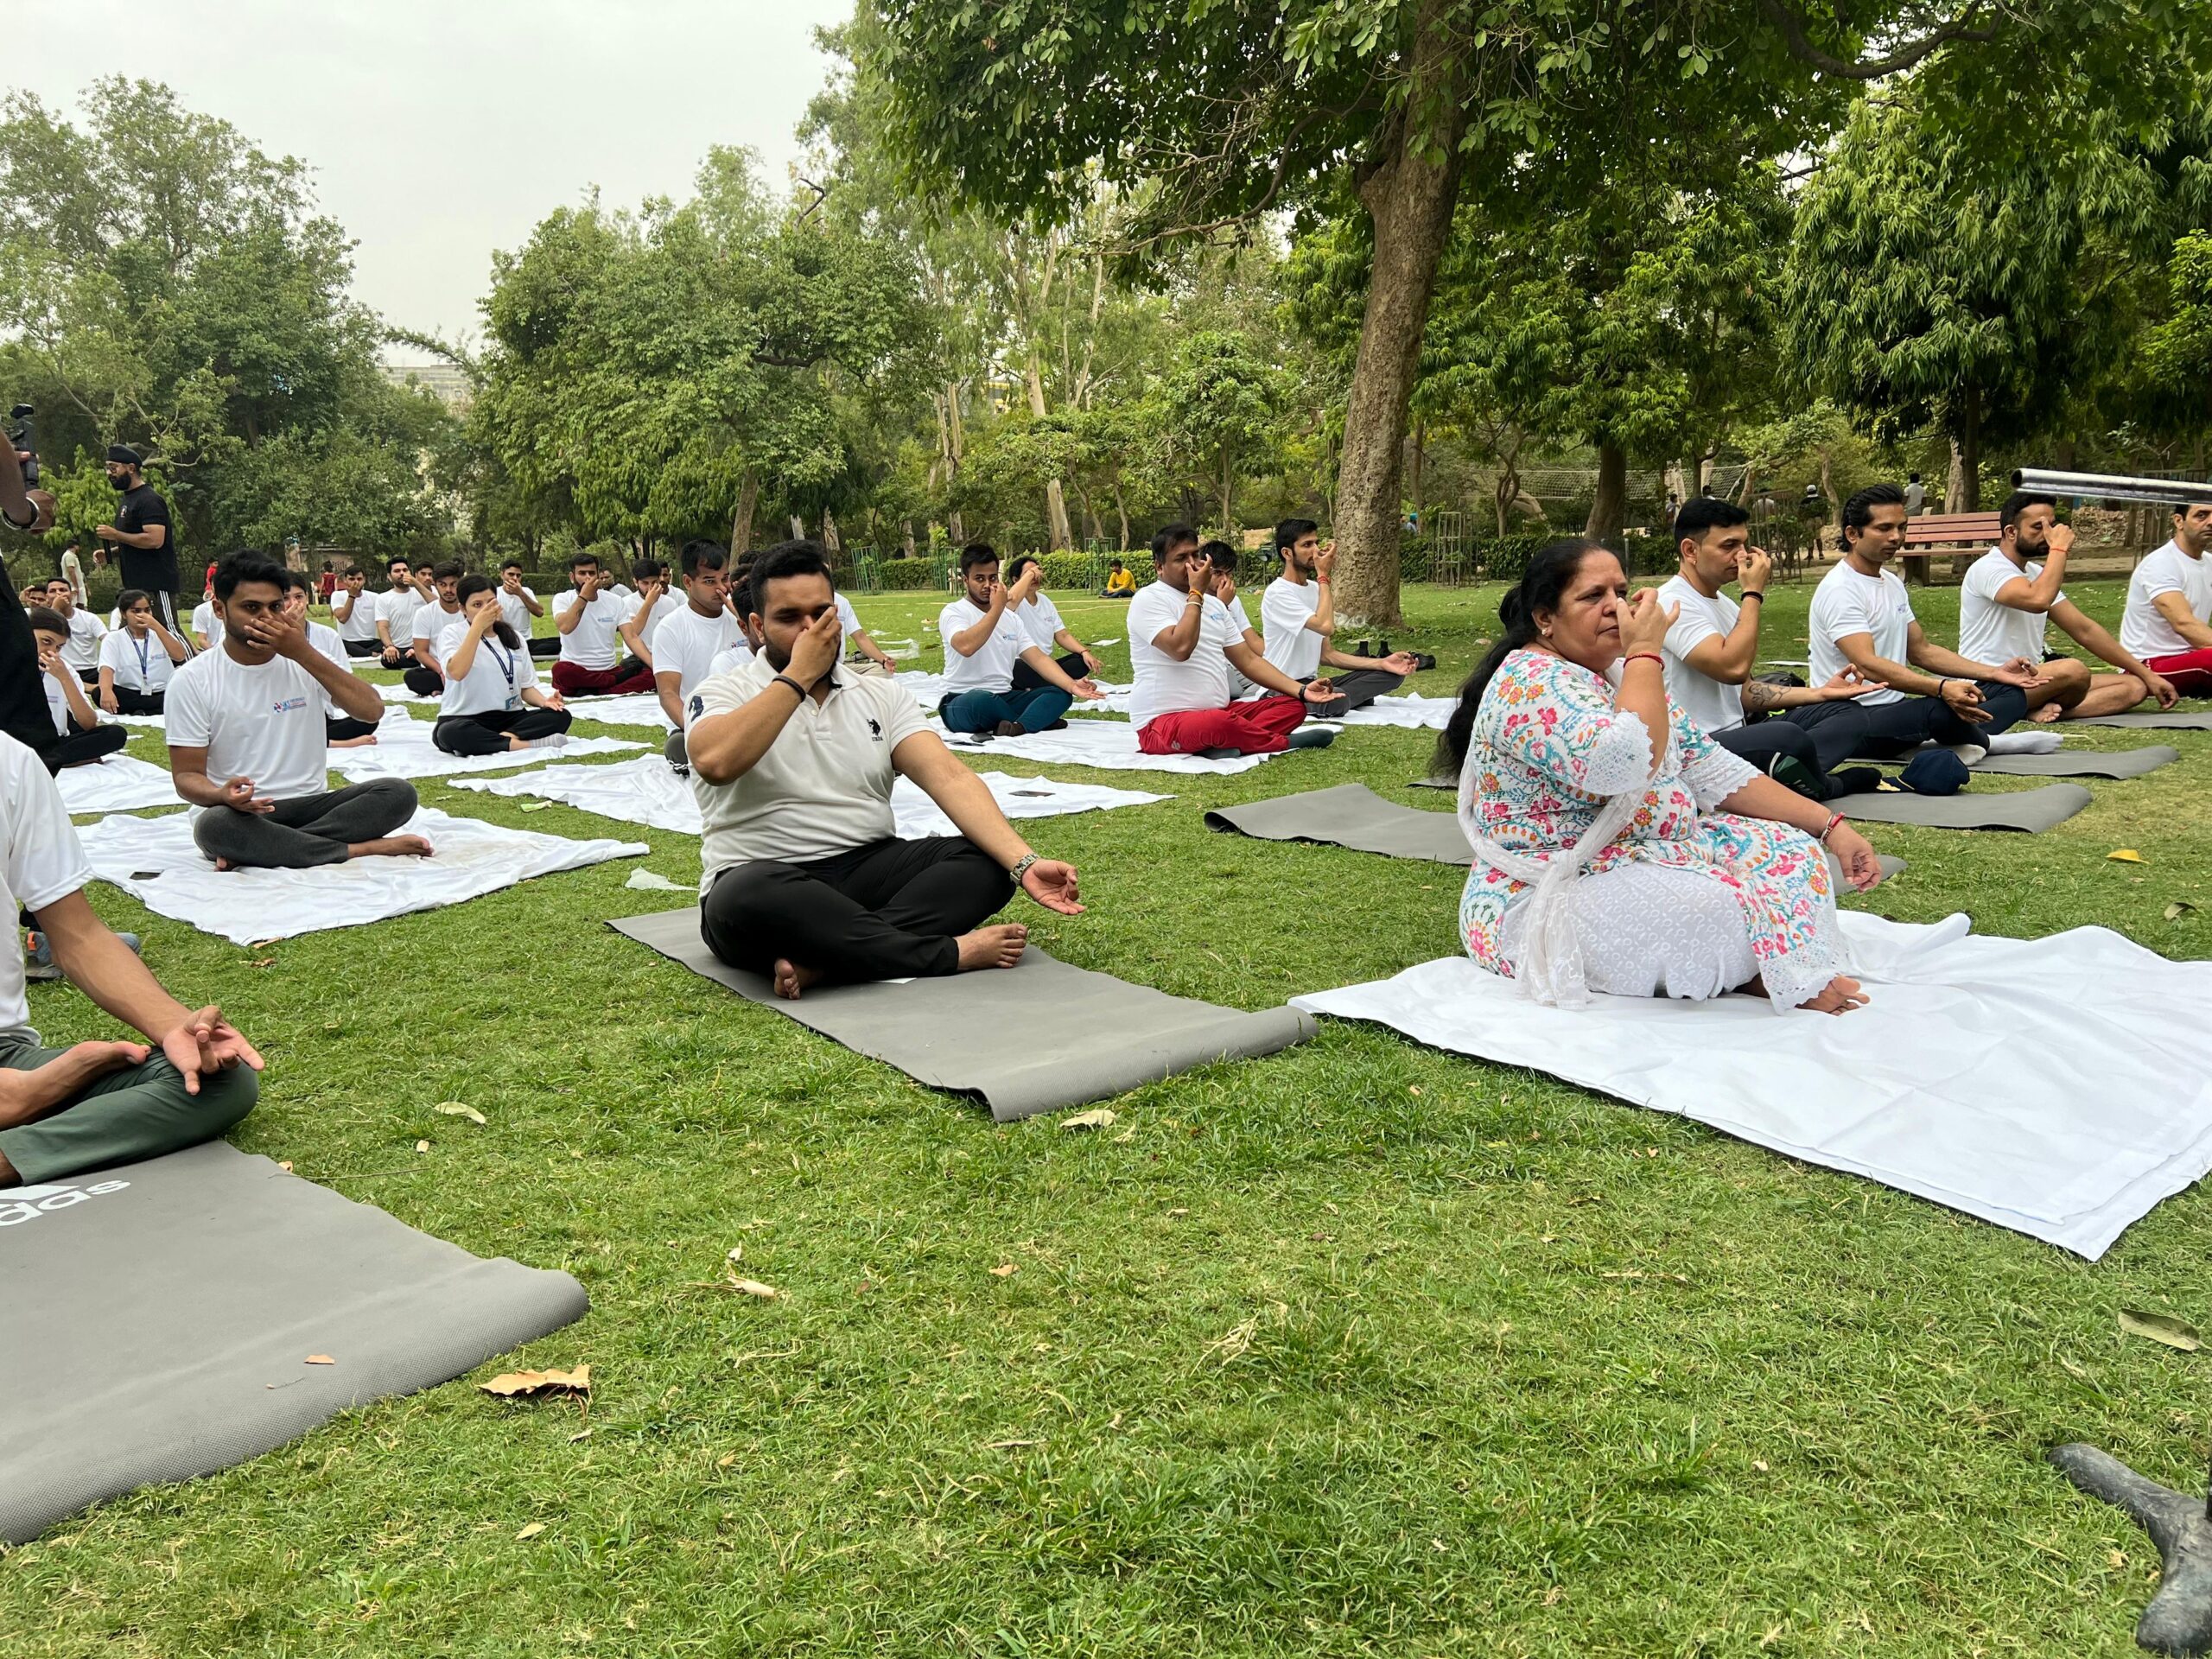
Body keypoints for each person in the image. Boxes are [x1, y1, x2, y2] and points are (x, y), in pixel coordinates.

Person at [1438, 540, 1884, 1014]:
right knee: (1707, 910)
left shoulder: (1613, 671)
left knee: (1792, 852)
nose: (1615, 607)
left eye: (1620, 592)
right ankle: (1759, 967)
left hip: (1645, 855)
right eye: (1593, 596)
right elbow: (1621, 765)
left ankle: (1755, 964)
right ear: (1545, 618)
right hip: (1545, 891)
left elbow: (1709, 765)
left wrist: (1828, 826)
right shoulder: (1531, 682)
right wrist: (1645, 652)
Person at [687, 540, 1083, 1000]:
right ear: (758, 626)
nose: (811, 630)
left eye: (821, 613)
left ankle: (827, 962)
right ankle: (942, 953)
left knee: (989, 864)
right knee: (744, 893)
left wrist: (1024, 863)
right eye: (789, 618)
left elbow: (950, 777)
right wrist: (797, 677)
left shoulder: (880, 695)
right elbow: (716, 762)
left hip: (866, 867)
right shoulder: (722, 691)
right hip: (768, 875)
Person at [0, 733, 263, 1189]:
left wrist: (177, 1028)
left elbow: (79, 936)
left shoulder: (11, 762)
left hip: (7, 1056)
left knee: (216, 1080)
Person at [164, 555, 427, 871]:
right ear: (220, 610)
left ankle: (270, 848)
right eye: (251, 608)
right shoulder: (192, 679)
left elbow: (371, 711)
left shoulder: (305, 659)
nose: (266, 617)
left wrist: (302, 652)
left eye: (275, 607)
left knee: (398, 793)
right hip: (242, 812)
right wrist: (221, 795)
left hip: (312, 804)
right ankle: (358, 849)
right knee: (215, 827)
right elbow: (187, 777)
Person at [1785, 484, 2042, 762]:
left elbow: (1922, 651)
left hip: (1895, 707)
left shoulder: (1891, 582)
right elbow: (1866, 664)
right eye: (1884, 528)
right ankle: (1984, 741)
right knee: (1937, 708)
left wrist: (1994, 673)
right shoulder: (1840, 589)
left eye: (1901, 527)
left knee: (2009, 692)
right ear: (1852, 534)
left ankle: (1951, 737)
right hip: (1851, 717)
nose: (1896, 537)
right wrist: (1941, 688)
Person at [1656, 498, 1880, 799]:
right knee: (1785, 737)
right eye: (1728, 546)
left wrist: (1821, 693)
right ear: (1690, 550)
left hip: (1738, 735)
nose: (1742, 556)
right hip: (1698, 748)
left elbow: (1746, 692)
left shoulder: (1726, 605)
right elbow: (1732, 669)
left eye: (1744, 544)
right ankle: (1823, 786)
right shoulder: (1671, 603)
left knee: (1848, 713)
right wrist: (1752, 593)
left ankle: (1778, 780)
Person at [1127, 524, 1339, 754]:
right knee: (1217, 723)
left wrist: (1302, 690)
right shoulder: (1148, 599)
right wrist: (1196, 593)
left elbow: (1248, 660)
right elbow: (1180, 649)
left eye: (1195, 555)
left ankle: (1224, 742)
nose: (1193, 564)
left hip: (1221, 711)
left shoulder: (1215, 605)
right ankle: (1280, 743)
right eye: (1181, 558)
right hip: (1162, 721)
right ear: (1159, 567)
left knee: (1291, 707)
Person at [1961, 493, 2172, 720]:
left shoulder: (2036, 573)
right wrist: (2059, 549)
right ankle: (2022, 708)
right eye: (2038, 527)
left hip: (2030, 679)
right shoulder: (1989, 568)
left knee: (2134, 686)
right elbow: (2038, 600)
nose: (2049, 534)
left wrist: (2147, 674)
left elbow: (2084, 629)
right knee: (2073, 670)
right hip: (1987, 685)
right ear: (2011, 532)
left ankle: (2041, 711)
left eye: (2051, 526)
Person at [937, 543, 1105, 734]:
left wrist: (1072, 685)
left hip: (1004, 696)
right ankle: (1036, 718)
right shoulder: (954, 612)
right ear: (966, 581)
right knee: (980, 701)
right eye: (979, 579)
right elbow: (966, 646)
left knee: (1060, 693)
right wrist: (997, 608)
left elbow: (1038, 658)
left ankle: (1018, 727)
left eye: (993, 578)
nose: (987, 585)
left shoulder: (1011, 619)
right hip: (963, 699)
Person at [1260, 518, 1421, 718]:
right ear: (1287, 553)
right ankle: (1345, 699)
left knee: (1392, 674)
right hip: (1281, 689)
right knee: (1339, 699)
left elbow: (1327, 655)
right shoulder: (1278, 593)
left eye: (1316, 543)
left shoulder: (1316, 588)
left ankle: (1342, 698)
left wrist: (1382, 663)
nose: (1316, 550)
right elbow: (1325, 627)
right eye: (1307, 545)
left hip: (1312, 684)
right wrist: (1323, 576)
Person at [432, 575, 573, 755]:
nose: (486, 610)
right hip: (465, 717)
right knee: (450, 733)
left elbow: (525, 687)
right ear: (462, 609)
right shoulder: (452, 633)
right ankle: (526, 745)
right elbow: (457, 672)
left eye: (491, 602)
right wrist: (477, 627)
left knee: (561, 716)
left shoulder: (514, 637)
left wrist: (545, 702)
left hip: (510, 718)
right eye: (477, 605)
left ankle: (500, 740)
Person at [652, 540, 749, 769]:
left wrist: (743, 618)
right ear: (688, 582)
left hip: (745, 714)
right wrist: (697, 729)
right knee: (682, 746)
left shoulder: (741, 620)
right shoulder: (671, 628)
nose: (721, 588)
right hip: (699, 720)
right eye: (709, 581)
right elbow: (668, 694)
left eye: (725, 579)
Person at [2118, 500, 2212, 696]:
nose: (2210, 522)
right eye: (2201, 515)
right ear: (2179, 521)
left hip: (2191, 656)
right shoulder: (2161, 564)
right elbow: (2183, 623)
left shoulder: (2209, 562)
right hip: (2146, 666)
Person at [93, 447, 182, 639]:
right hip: (134, 586)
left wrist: (116, 535)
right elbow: (135, 541)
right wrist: (113, 552)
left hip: (156, 584)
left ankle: (191, 659)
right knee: (128, 636)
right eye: (107, 468)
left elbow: (154, 540)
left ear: (131, 468)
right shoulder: (128, 500)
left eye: (113, 468)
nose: (109, 473)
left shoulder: (149, 500)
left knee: (169, 631)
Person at [283, 570, 380, 747]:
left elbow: (346, 686)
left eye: (298, 597)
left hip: (321, 714)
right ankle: (335, 743)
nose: (293, 604)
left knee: (367, 719)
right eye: (285, 599)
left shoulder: (327, 635)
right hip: (286, 716)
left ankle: (323, 739)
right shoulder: (270, 639)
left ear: (307, 599)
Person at [27, 607, 129, 772]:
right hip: (14, 741)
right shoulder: (9, 663)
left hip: (54, 742)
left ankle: (49, 760)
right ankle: (54, 760)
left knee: (115, 734)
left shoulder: (64, 669)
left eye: (59, 647)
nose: (52, 652)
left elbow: (88, 723)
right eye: (46, 642)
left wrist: (65, 679)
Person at [550, 551, 657, 696]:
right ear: (572, 577)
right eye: (582, 573)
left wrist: (655, 667)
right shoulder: (562, 599)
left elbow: (631, 637)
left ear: (598, 576)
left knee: (650, 676)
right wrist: (584, 597)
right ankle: (611, 683)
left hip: (609, 670)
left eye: (591, 573)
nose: (588, 578)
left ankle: (602, 689)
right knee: (560, 671)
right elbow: (565, 627)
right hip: (576, 669)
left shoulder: (615, 601)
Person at [1004, 552, 1106, 691]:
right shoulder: (1013, 602)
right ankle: (1066, 683)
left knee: (1080, 662)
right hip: (1021, 663)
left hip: (1045, 664)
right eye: (1030, 574)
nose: (1036, 577)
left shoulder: (1045, 601)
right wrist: (1030, 574)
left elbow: (1062, 635)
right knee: (1017, 668)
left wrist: (1084, 652)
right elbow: (1012, 598)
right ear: (1016, 579)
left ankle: (1050, 682)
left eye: (1037, 573)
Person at [96, 589, 188, 716]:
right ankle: (154, 708)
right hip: (131, 692)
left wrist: (156, 626)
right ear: (124, 614)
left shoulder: (160, 634)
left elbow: (180, 656)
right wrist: (106, 691)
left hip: (162, 691)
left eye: (147, 610)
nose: (143, 615)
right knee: (98, 693)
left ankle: (145, 710)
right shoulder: (114, 638)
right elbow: (106, 669)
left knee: (183, 691)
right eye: (136, 611)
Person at [403, 560, 466, 696]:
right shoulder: (424, 613)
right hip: (437, 669)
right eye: (443, 585)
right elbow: (421, 652)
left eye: (453, 584)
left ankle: (450, 687)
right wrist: (441, 672)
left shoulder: (469, 611)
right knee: (413, 677)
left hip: (465, 668)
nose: (448, 590)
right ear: (435, 585)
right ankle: (451, 686)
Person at [41, 579, 105, 683]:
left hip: (90, 671)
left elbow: (107, 640)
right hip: (58, 670)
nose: (58, 594)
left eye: (63, 590)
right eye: (53, 591)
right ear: (46, 597)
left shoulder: (89, 618)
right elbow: (44, 635)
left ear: (72, 595)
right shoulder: (42, 619)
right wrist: (55, 608)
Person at [373, 556, 425, 670]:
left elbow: (437, 604)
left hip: (421, 646)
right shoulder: (383, 598)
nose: (402, 573)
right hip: (398, 648)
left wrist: (416, 583)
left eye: (405, 570)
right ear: (389, 577)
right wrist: (389, 646)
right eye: (397, 571)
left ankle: (420, 657)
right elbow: (382, 627)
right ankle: (419, 660)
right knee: (387, 660)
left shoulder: (422, 592)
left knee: (429, 653)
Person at [496, 560, 554, 658]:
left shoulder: (526, 592)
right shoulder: (495, 594)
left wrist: (520, 593)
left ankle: (522, 651)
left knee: (559, 642)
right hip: (505, 641)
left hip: (526, 641)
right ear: (502, 575)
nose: (515, 578)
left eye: (518, 575)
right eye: (511, 574)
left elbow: (540, 612)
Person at [836, 589, 899, 676]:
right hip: (818, 670)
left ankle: (847, 681)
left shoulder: (841, 602)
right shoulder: (815, 602)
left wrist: (884, 660)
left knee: (883, 671)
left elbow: (860, 638)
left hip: (838, 668)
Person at [333, 567, 380, 657]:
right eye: (351, 579)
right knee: (340, 644)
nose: (356, 582)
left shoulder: (375, 597)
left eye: (359, 579)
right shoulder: (338, 595)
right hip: (348, 642)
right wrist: (352, 595)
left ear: (364, 580)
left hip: (370, 641)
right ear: (345, 580)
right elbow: (342, 618)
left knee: (386, 643)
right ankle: (369, 653)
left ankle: (363, 653)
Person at [189, 579, 224, 654]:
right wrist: (218, 654)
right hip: (212, 653)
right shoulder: (202, 610)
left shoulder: (239, 608)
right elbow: (202, 640)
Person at [58, 540, 87, 608]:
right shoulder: (69, 556)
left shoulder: (71, 555)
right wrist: (76, 586)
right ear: (75, 546)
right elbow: (71, 571)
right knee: (76, 605)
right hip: (73, 585)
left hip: (77, 585)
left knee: (81, 605)